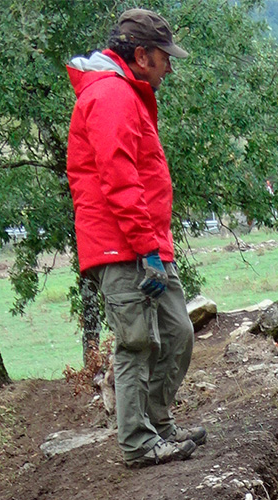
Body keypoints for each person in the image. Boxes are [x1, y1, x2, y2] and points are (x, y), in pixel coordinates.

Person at [66, 10, 203, 470]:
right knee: (136, 342)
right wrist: (146, 249)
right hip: (123, 245)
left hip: (144, 241)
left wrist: (154, 246)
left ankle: (160, 425)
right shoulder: (111, 96)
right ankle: (138, 444)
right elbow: (120, 179)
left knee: (178, 332)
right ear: (141, 55)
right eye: (165, 58)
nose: (170, 67)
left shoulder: (125, 93)